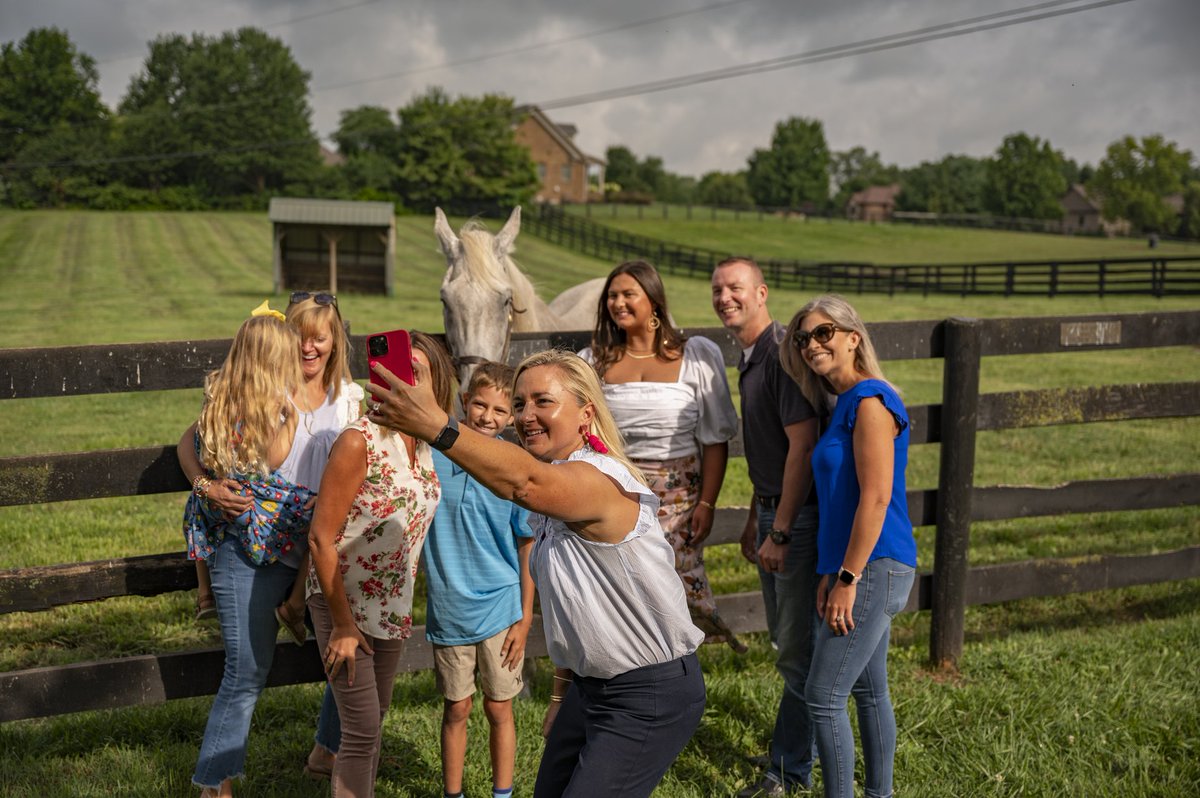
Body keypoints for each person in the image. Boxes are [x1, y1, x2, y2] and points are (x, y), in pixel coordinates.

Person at [367, 349, 706, 798]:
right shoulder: (559, 480)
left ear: (587, 413)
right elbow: (580, 611)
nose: (527, 416)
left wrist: (436, 425)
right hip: (591, 689)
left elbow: (524, 483)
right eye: (521, 404)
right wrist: (562, 697)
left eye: (543, 402)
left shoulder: (599, 481)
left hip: (647, 693)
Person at [779, 295, 917, 798]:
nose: (812, 344)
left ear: (853, 338)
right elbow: (843, 501)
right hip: (857, 565)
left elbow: (877, 500)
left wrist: (848, 578)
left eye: (823, 333)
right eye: (803, 338)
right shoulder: (842, 406)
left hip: (875, 564)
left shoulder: (871, 401)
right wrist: (829, 570)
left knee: (822, 696)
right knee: (866, 689)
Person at [305, 331, 452, 798]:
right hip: (341, 600)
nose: (400, 381)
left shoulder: (424, 443)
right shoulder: (358, 442)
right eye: (395, 370)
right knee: (364, 728)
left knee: (374, 720)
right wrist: (343, 626)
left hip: (391, 605)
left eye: (415, 373)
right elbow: (320, 537)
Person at [579, 260, 743, 652]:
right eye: (612, 296)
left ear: (653, 300)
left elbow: (715, 439)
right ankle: (630, 664)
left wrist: (707, 502)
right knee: (623, 582)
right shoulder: (593, 362)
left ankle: (679, 666)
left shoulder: (694, 356)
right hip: (617, 490)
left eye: (628, 294)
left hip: (680, 496)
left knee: (675, 583)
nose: (618, 303)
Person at [179, 307, 310, 798]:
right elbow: (271, 461)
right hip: (245, 542)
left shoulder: (219, 398)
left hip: (252, 540)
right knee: (245, 670)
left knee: (249, 670)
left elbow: (186, 441)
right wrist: (291, 421)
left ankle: (220, 778)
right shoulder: (268, 408)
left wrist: (202, 483)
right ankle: (213, 782)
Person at [187, 292, 362, 631]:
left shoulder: (347, 398)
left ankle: (295, 607)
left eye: (319, 338)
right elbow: (190, 442)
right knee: (249, 665)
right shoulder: (263, 387)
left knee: (338, 655)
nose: (308, 348)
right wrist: (205, 486)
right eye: (299, 337)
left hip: (319, 544)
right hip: (261, 535)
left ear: (335, 341)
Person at [711, 257, 821, 797]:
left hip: (796, 519)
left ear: (761, 292)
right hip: (775, 510)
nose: (725, 297)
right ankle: (796, 746)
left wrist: (779, 530)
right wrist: (757, 517)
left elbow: (802, 445)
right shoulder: (751, 358)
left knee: (795, 649)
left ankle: (790, 771)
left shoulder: (779, 355)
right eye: (717, 290)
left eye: (735, 288)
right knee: (787, 639)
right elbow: (773, 449)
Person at [424, 360, 535, 798]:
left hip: (504, 609)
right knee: (457, 708)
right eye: (480, 405)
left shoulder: (514, 465)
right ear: (463, 402)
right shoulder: (432, 458)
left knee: (498, 707)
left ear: (512, 417)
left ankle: (502, 793)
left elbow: (527, 544)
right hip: (450, 607)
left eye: (500, 411)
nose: (488, 417)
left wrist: (525, 620)